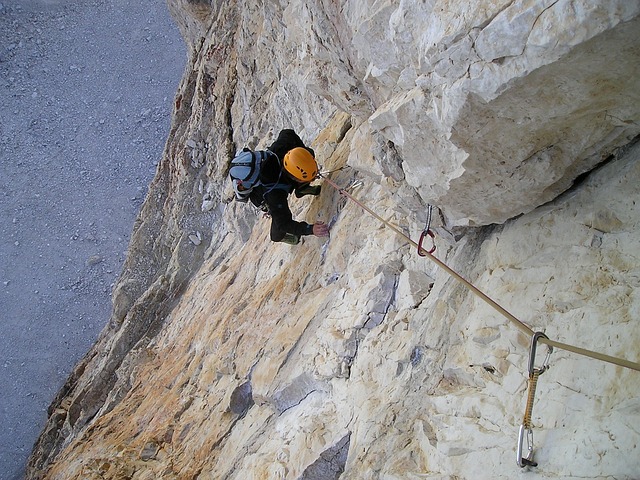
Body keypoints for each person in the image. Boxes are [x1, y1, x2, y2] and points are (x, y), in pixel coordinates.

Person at [230, 129, 330, 245]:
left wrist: (302, 152)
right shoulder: (274, 194)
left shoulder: (283, 146)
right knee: (277, 231)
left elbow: (287, 132)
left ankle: (301, 189)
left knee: (309, 154)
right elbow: (283, 224)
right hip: (263, 193)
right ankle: (286, 238)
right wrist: (310, 229)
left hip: (283, 174)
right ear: (294, 177)